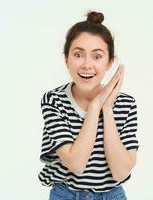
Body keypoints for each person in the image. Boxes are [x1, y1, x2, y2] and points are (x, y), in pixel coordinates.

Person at [38, 11, 139, 200]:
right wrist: (95, 106)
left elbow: (120, 172)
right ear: (66, 59)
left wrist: (107, 109)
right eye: (78, 55)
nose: (87, 65)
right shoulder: (53, 101)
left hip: (112, 196)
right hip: (66, 195)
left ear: (109, 62)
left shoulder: (126, 104)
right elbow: (76, 164)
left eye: (97, 56)